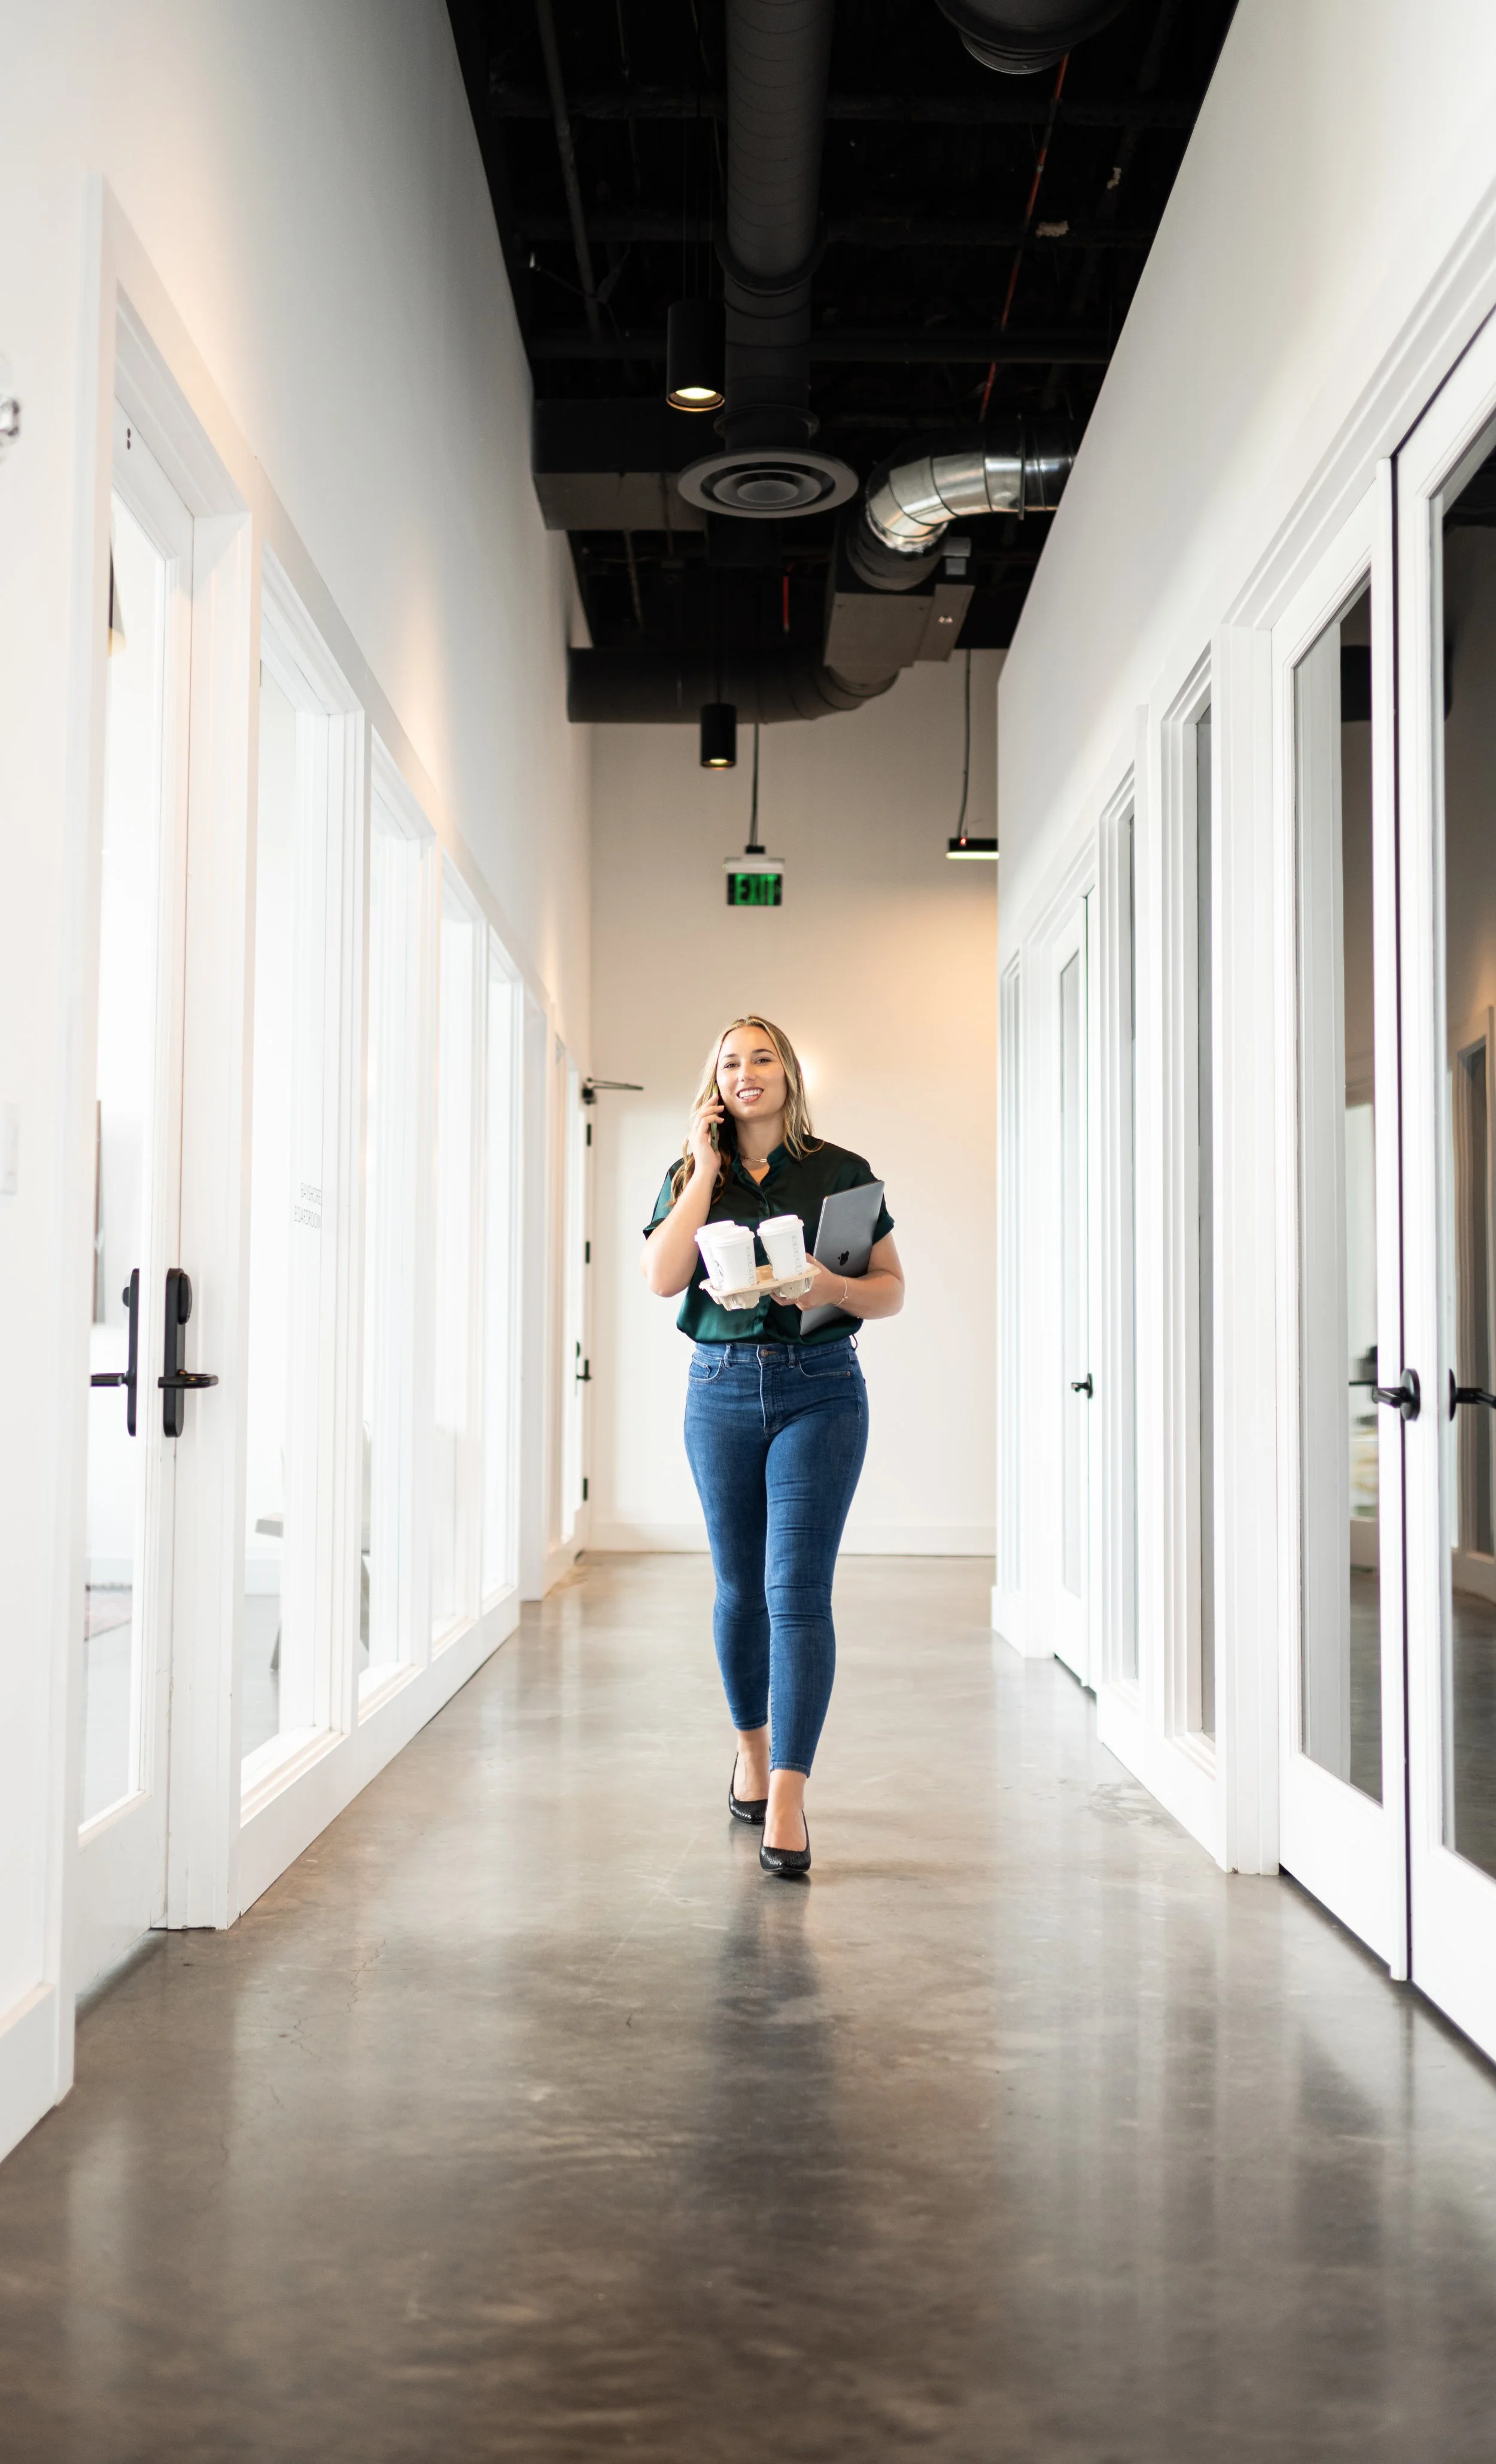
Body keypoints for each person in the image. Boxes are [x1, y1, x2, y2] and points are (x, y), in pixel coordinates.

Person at [641, 1016, 904, 1877]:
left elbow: (891, 1291)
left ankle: (787, 1796)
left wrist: (830, 1285)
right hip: (719, 1389)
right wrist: (705, 1168)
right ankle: (751, 1752)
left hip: (820, 1388)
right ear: (714, 1083)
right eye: (729, 1062)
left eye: (762, 1058)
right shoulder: (691, 1175)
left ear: (788, 1073)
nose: (746, 1072)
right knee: (737, 1589)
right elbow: (663, 1277)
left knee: (796, 1590)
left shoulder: (842, 1173)